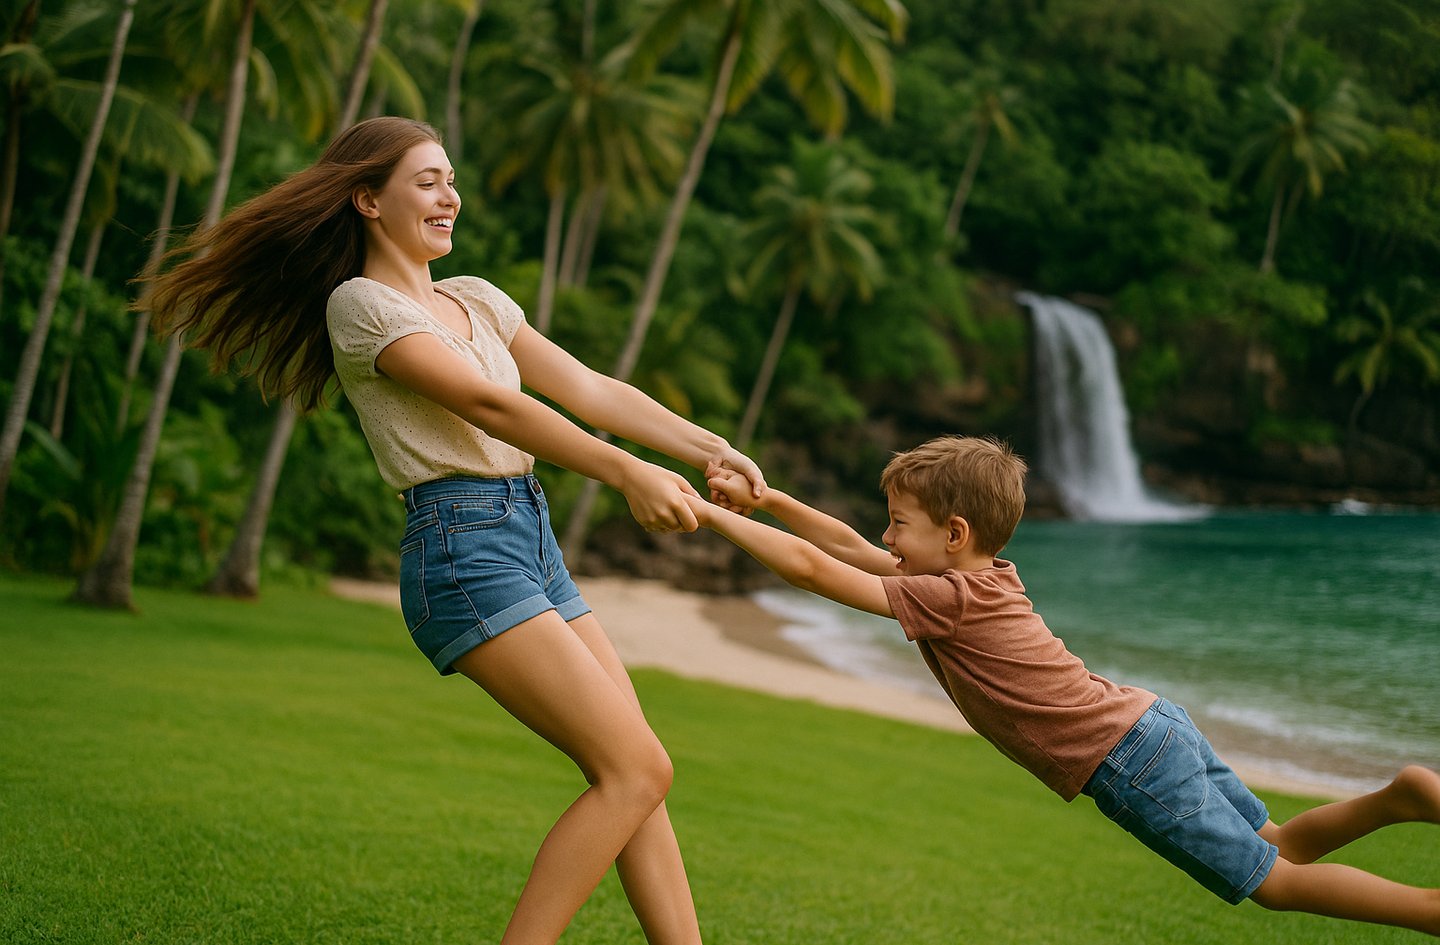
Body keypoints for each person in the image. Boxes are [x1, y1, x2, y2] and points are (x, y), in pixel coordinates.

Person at [143, 116, 765, 945]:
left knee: (636, 771)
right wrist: (624, 471)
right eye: (427, 182)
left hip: (529, 538)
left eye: (450, 180)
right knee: (637, 767)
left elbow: (589, 387)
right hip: (462, 547)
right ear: (368, 199)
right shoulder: (360, 306)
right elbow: (486, 403)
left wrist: (709, 446)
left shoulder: (474, 298)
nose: (450, 197)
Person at [691, 435, 1440, 937]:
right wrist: (771, 502)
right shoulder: (977, 578)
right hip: (1151, 722)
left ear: (953, 533)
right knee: (1273, 841)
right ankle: (1401, 796)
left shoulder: (947, 597)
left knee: (1270, 881)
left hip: (1125, 759)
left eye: (899, 524)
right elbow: (849, 548)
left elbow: (819, 571)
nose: (886, 537)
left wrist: (706, 516)